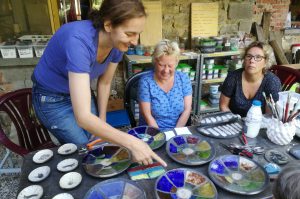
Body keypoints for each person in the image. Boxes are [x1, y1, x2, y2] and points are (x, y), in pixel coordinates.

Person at [31, 0, 166, 167]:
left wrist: (102, 120)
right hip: (51, 99)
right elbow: (83, 118)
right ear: (108, 25)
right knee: (85, 146)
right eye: (130, 33)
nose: (135, 42)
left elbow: (105, 82)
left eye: (138, 34)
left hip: (78, 91)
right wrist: (131, 142)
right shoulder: (79, 41)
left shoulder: (117, 44)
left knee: (98, 141)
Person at [138, 39, 192, 131]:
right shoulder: (146, 82)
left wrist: (176, 133)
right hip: (152, 131)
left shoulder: (183, 79)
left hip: (177, 129)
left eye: (170, 66)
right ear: (155, 61)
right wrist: (161, 137)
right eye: (161, 65)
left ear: (176, 63)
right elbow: (147, 114)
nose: (166, 70)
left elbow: (187, 110)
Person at [219, 41, 281, 117]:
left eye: (258, 57)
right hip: (233, 122)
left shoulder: (272, 82)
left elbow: (269, 115)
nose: (251, 61)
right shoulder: (233, 77)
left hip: (259, 124)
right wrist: (235, 122)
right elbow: (223, 106)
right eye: (249, 56)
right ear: (244, 59)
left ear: (266, 62)